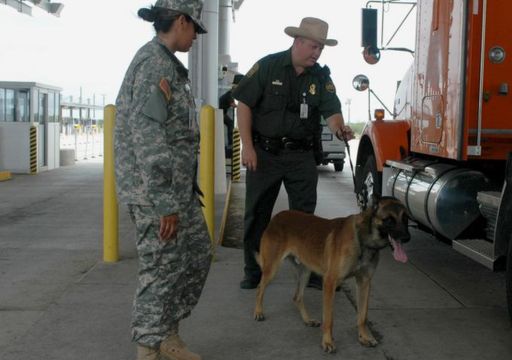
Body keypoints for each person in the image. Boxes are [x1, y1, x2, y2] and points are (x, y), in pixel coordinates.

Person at [114, 1, 211, 359]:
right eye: (194, 29)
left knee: (196, 256)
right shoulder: (154, 63)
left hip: (178, 190)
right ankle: (149, 351)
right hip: (157, 195)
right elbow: (148, 137)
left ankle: (169, 335)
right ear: (181, 21)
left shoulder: (170, 65)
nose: (196, 37)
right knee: (160, 271)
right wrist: (164, 203)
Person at [232, 17, 355, 290]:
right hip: (265, 154)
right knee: (257, 214)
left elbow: (331, 111)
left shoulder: (321, 77)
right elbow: (243, 105)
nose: (317, 53)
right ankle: (253, 270)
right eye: (313, 46)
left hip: (301, 156)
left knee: (305, 219)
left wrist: (340, 129)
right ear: (297, 42)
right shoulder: (268, 66)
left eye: (321, 48)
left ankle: (311, 271)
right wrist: (247, 147)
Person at [219, 74, 244, 158]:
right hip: (220, 113)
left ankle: (231, 143)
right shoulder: (230, 95)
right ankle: (230, 143)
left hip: (222, 112)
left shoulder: (230, 94)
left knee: (230, 123)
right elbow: (233, 105)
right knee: (230, 123)